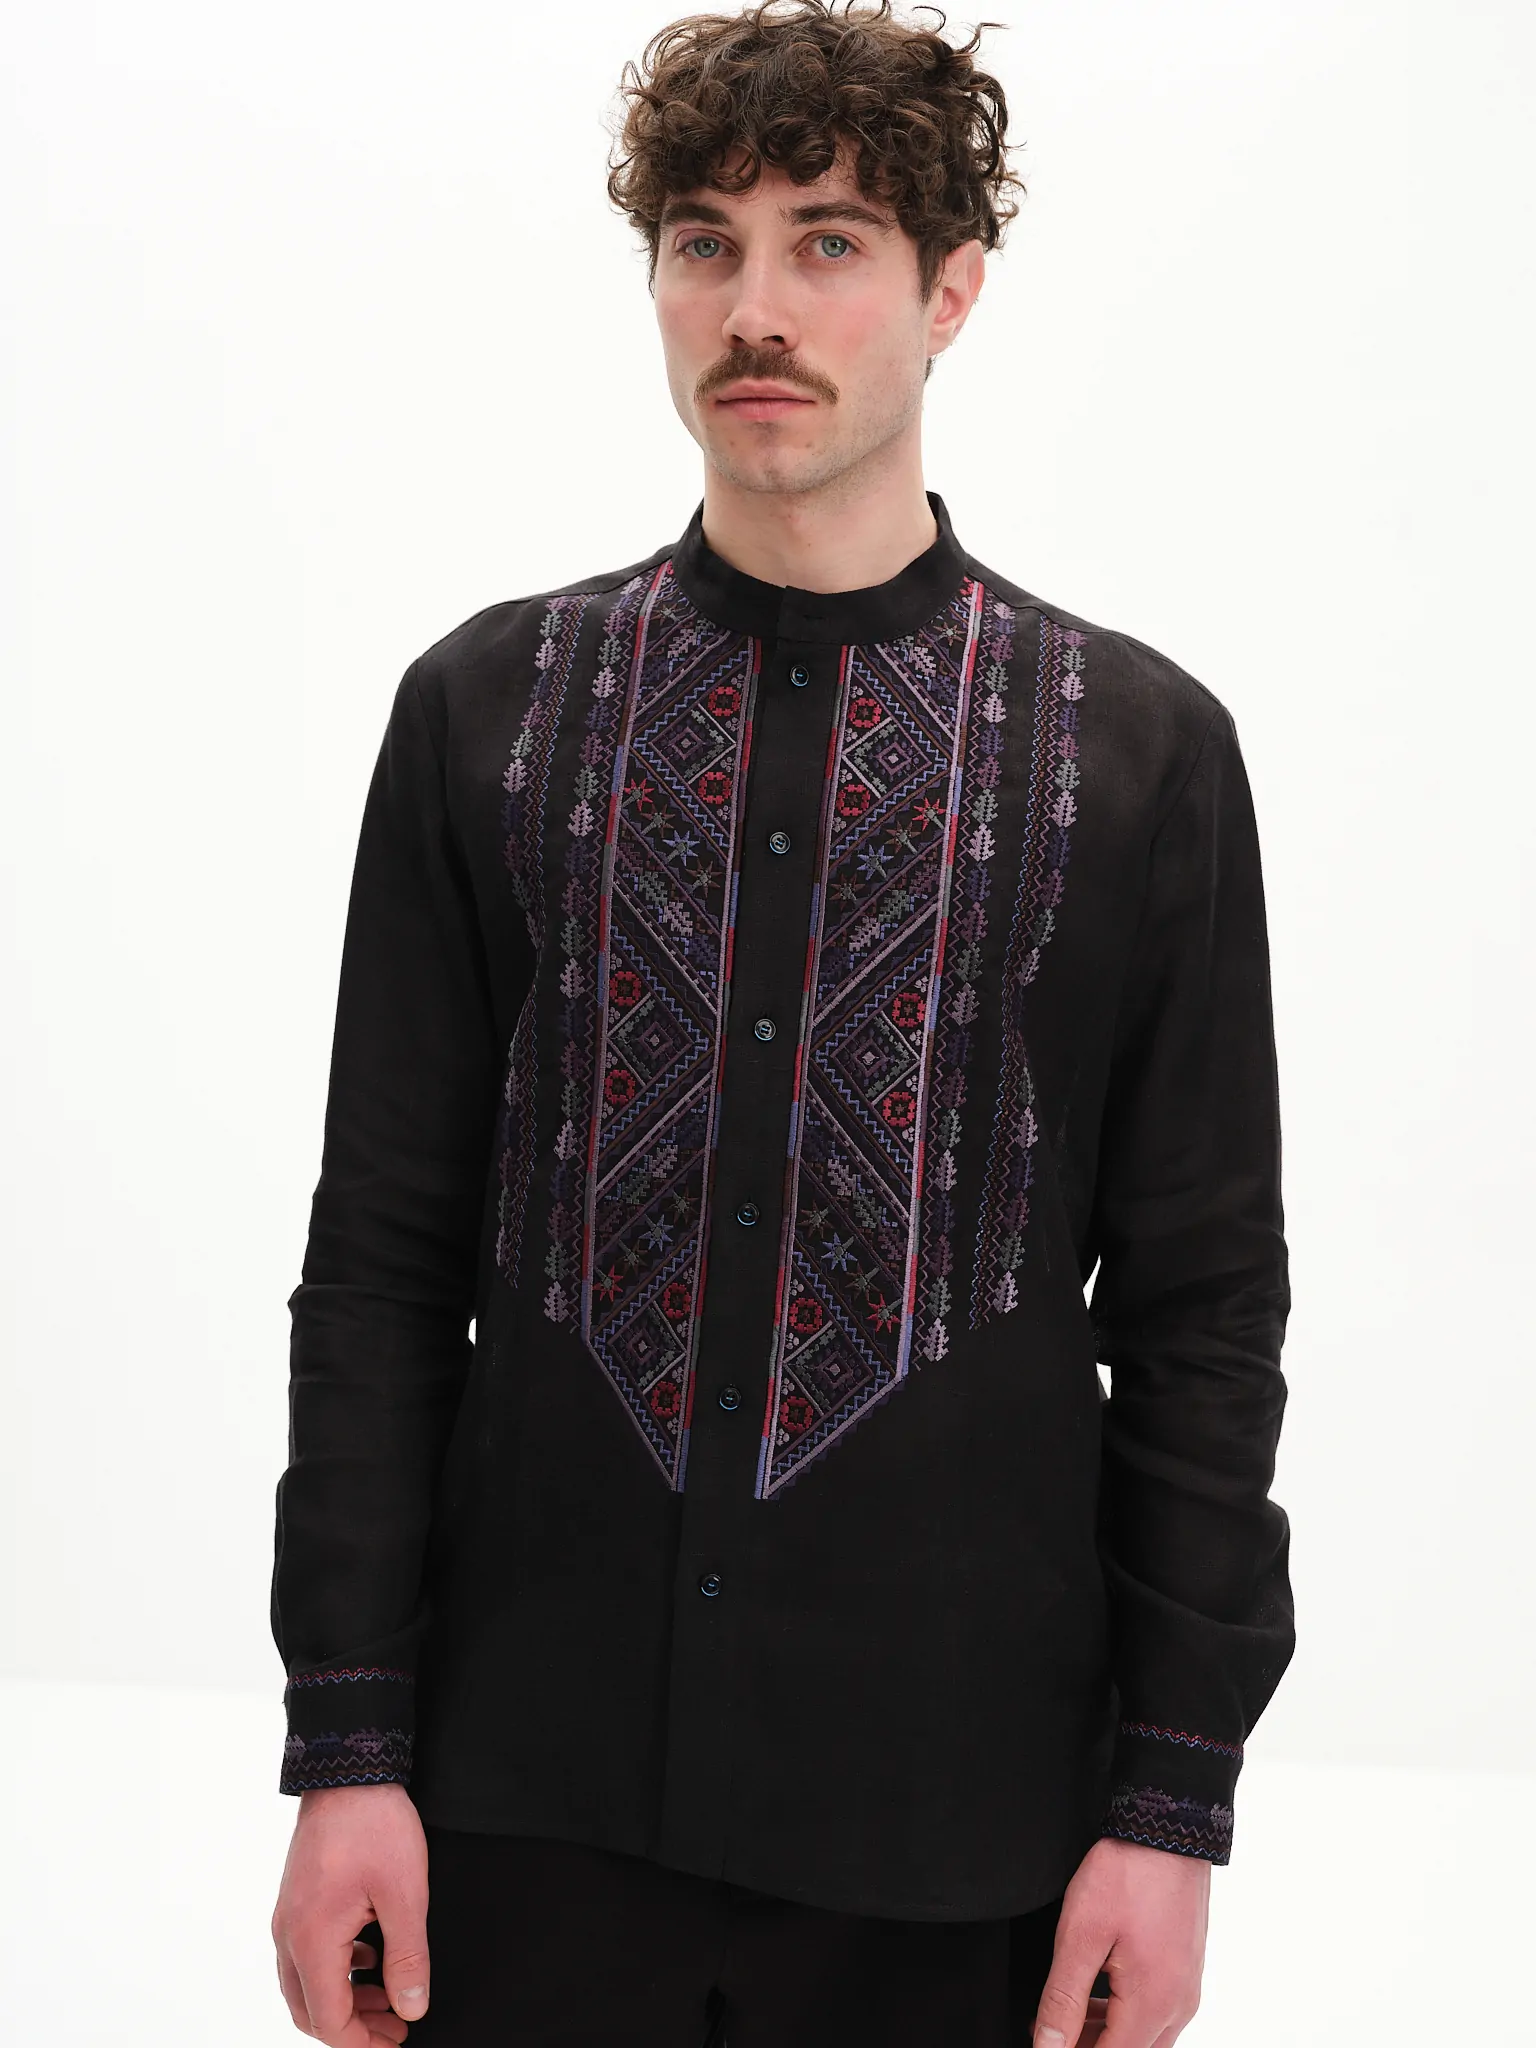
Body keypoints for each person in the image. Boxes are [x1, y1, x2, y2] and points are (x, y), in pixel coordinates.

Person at [268, 3, 1295, 2044]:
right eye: (704, 243)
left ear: (950, 290)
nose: (756, 307)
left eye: (830, 241)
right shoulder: (487, 715)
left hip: (959, 1836)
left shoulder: (1139, 756)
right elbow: (379, 1262)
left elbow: (1201, 1314)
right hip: (523, 1813)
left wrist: (1171, 1808)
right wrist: (345, 1746)